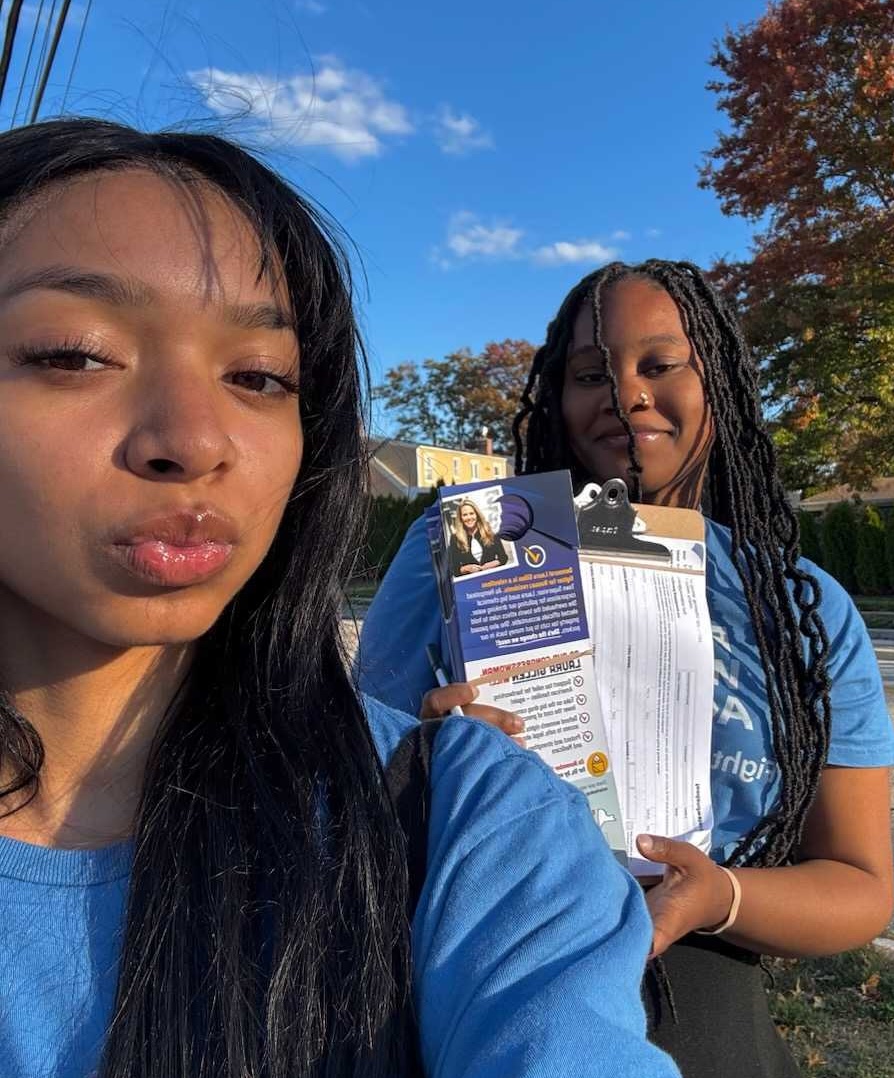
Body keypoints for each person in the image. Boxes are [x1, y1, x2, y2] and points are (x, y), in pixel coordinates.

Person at [0, 121, 680, 1078]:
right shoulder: (474, 541)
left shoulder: (469, 821)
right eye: (74, 353)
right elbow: (394, 693)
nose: (196, 440)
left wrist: (725, 898)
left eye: (257, 376)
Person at [359, 260, 894, 1078]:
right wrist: (424, 764)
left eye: (658, 365)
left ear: (716, 381)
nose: (624, 397)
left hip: (711, 1009)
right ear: (557, 397)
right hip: (479, 979)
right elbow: (339, 795)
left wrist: (722, 896)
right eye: (589, 375)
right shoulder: (471, 546)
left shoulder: (801, 609)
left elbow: (861, 885)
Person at [447, 498, 508, 577]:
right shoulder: (455, 538)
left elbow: (503, 558)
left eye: (471, 513)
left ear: (477, 515)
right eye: (465, 515)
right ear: (460, 518)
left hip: (493, 578)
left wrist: (490, 565)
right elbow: (454, 570)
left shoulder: (488, 531)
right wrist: (465, 569)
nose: (469, 517)